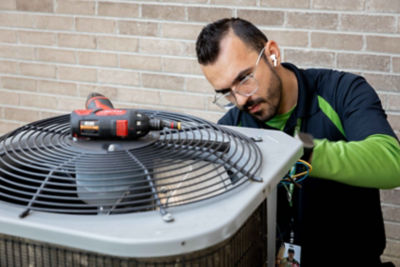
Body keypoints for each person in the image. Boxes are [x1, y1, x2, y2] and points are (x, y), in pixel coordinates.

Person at [195, 17, 400, 266]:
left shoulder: (342, 91)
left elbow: (392, 162)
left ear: (272, 54)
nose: (239, 100)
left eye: (245, 79)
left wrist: (298, 152)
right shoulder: (232, 127)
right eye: (226, 92)